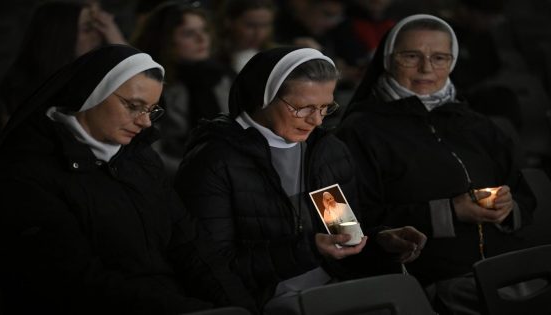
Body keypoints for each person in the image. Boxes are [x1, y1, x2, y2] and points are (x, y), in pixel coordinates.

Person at [0, 45, 255, 315]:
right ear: (92, 93)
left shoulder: (140, 158)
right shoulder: (27, 172)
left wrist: (238, 305)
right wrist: (189, 310)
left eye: (152, 110)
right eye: (133, 106)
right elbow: (74, 281)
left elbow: (190, 243)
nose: (145, 123)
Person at [175, 46, 427, 314]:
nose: (316, 120)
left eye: (325, 108)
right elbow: (213, 269)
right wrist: (310, 248)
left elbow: (342, 231)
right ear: (264, 97)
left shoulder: (327, 151)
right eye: (303, 107)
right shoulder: (214, 162)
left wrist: (377, 243)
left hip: (336, 286)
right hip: (266, 301)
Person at [335, 14, 536, 314]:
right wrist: (449, 212)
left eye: (439, 57)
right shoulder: (361, 131)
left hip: (508, 270)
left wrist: (508, 207)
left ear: (452, 63)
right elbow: (351, 223)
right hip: (433, 281)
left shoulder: (476, 124)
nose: (426, 68)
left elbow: (523, 193)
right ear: (388, 60)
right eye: (411, 56)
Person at [132, 1, 234, 177]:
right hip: (176, 176)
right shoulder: (150, 85)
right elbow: (148, 152)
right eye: (189, 34)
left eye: (204, 31)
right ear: (165, 40)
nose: (202, 39)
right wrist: (196, 173)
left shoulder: (223, 77)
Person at [0, 1, 127, 132]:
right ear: (59, 36)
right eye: (88, 29)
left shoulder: (91, 81)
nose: (100, 35)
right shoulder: (21, 95)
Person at [214, 0, 276, 74]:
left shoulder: (277, 57)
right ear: (229, 22)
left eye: (265, 25)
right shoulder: (212, 57)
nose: (259, 33)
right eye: (250, 25)